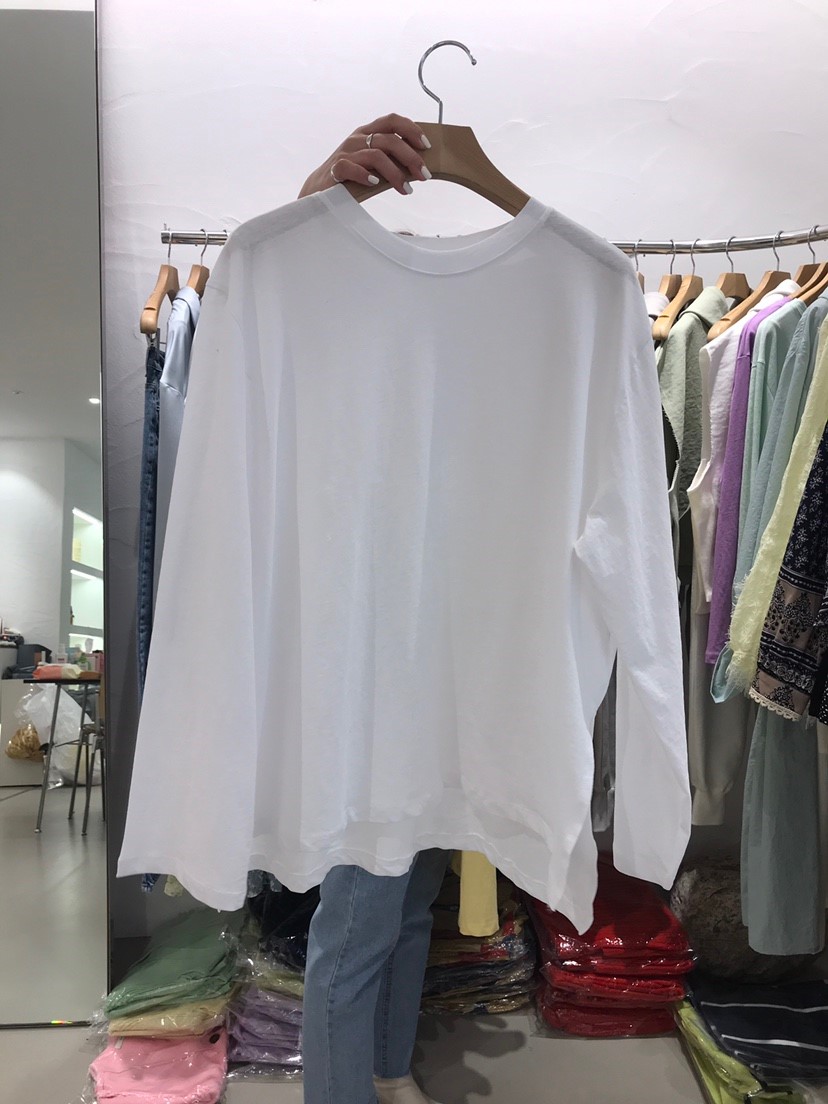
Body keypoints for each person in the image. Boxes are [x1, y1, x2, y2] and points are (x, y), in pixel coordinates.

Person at [298, 115, 450, 1104]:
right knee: (356, 926)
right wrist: (319, 197)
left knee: (414, 902)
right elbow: (278, 306)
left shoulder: (466, 388)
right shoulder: (338, 387)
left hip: (443, 694)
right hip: (364, 705)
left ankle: (390, 1075)